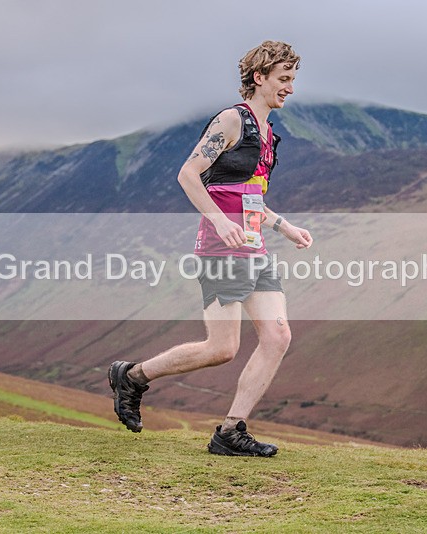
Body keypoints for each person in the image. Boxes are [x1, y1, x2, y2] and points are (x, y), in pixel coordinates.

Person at [109, 41, 312, 457]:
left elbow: (248, 198)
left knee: (277, 336)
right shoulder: (231, 120)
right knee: (222, 349)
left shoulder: (269, 136)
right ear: (259, 77)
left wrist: (284, 226)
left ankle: (231, 431)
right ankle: (132, 376)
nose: (290, 88)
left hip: (253, 247)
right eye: (283, 79)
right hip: (221, 248)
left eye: (293, 80)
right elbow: (188, 174)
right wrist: (219, 220)